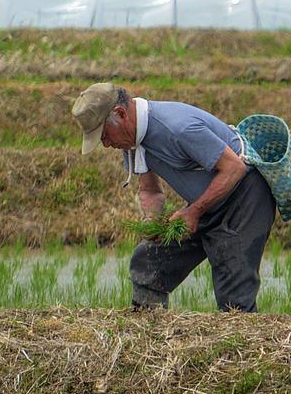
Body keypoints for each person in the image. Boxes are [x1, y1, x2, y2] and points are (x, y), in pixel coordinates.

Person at [71, 82, 277, 312]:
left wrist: (194, 211)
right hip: (207, 202)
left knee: (233, 288)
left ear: (120, 114)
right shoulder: (133, 142)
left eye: (105, 135)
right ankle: (150, 334)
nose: (106, 144)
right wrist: (152, 220)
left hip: (245, 197)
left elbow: (234, 168)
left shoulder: (178, 127)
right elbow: (150, 190)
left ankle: (242, 341)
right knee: (149, 261)